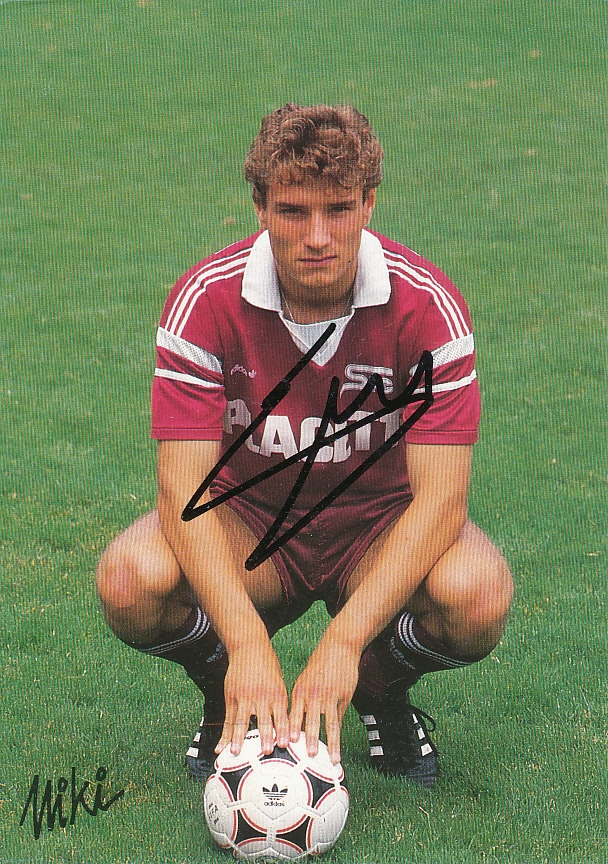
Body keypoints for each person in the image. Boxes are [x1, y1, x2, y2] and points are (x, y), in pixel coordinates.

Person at [96, 104, 513, 788]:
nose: (317, 236)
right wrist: (245, 644)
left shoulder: (427, 306)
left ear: (369, 204)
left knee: (478, 596)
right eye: (293, 211)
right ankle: (229, 696)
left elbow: (442, 501)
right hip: (252, 525)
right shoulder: (205, 300)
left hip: (376, 528)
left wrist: (345, 646)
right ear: (260, 207)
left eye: (339, 209)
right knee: (129, 579)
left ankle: (379, 687)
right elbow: (181, 491)